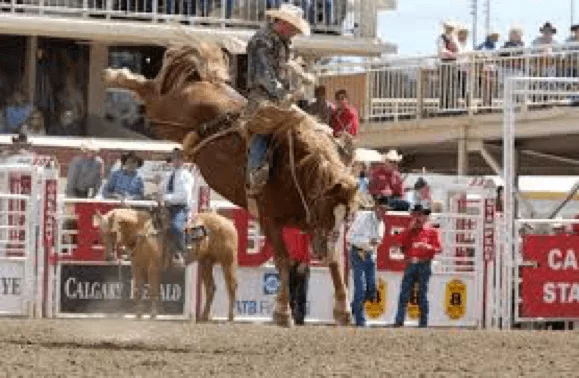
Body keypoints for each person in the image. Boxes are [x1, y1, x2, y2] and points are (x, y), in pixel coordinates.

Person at [244, 3, 311, 199]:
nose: (295, 33)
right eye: (293, 28)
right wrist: (283, 94)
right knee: (265, 130)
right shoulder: (261, 41)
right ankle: (254, 174)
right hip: (262, 96)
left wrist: (298, 74)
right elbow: (264, 75)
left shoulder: (283, 42)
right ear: (282, 22)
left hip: (281, 96)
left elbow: (283, 67)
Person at [391, 204, 442, 328]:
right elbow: (397, 242)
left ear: (424, 217)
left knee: (422, 294)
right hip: (411, 263)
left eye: (421, 215)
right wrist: (409, 230)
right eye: (416, 214)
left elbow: (439, 248)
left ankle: (423, 323)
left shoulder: (432, 231)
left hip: (424, 263)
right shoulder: (409, 230)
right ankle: (399, 321)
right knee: (404, 293)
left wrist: (428, 247)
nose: (419, 217)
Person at [346, 195, 386, 327]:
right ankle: (360, 320)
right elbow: (350, 237)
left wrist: (372, 244)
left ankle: (352, 310)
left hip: (370, 255)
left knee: (371, 290)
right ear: (376, 207)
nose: (383, 212)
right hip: (358, 253)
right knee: (361, 289)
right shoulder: (363, 217)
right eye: (381, 209)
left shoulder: (382, 224)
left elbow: (377, 242)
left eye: (385, 210)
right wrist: (368, 241)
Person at [158, 148, 195, 267]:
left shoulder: (186, 176)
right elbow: (161, 189)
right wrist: (158, 194)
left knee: (176, 227)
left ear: (183, 161)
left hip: (180, 208)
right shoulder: (169, 175)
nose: (176, 161)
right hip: (166, 207)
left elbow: (183, 196)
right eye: (174, 158)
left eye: (179, 158)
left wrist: (166, 197)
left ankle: (182, 253)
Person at [288, 229, 310, 325]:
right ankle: (290, 317)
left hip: (302, 263)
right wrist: (288, 258)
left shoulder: (304, 225)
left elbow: (308, 244)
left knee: (302, 293)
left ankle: (300, 320)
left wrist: (305, 262)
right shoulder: (285, 227)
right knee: (290, 293)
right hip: (290, 263)